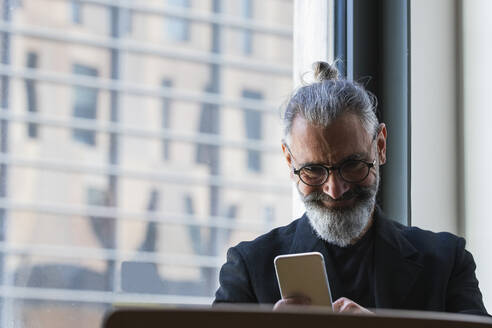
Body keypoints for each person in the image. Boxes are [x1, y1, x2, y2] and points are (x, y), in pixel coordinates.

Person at [213, 61, 488, 315]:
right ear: (289, 161)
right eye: (313, 170)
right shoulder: (249, 269)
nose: (335, 189)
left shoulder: (447, 263)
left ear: (380, 146)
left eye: (353, 164)